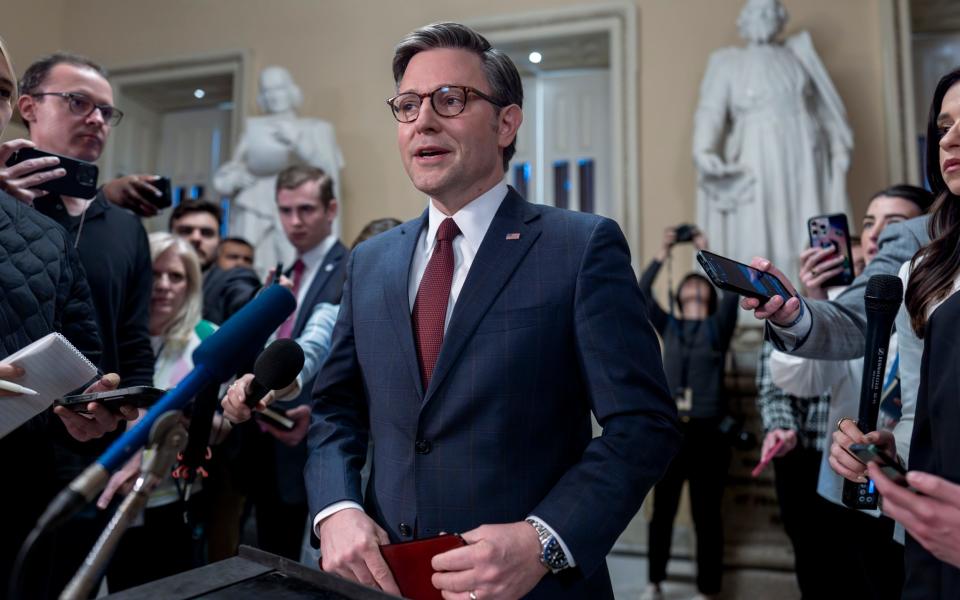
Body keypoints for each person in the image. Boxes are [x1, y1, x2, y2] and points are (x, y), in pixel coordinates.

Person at [302, 23, 679, 599]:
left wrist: (544, 540)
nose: (423, 121)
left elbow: (644, 426)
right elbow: (334, 409)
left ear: (506, 122)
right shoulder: (371, 261)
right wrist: (336, 507)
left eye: (450, 100)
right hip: (384, 583)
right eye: (407, 105)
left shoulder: (579, 247)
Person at [0, 37, 134, 600]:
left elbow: (86, 366)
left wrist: (90, 417)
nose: (96, 121)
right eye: (79, 103)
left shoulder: (45, 237)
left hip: (21, 508)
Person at [830, 67, 960, 599]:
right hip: (932, 550)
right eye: (944, 124)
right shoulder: (925, 268)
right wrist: (888, 453)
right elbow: (918, 415)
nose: (950, 138)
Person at [769, 185, 931, 600]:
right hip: (845, 490)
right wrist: (817, 301)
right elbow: (800, 382)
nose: (877, 236)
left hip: (920, 491)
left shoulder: (939, 312)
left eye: (895, 226)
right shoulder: (849, 311)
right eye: (868, 224)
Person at [693, 0, 852, 286]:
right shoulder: (729, 62)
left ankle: (810, 295)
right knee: (760, 223)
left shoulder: (799, 56)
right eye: (757, 12)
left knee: (805, 219)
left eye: (769, 12)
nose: (763, 18)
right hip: (757, 149)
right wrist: (704, 149)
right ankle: (763, 296)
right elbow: (710, 111)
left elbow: (822, 108)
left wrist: (838, 146)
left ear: (780, 19)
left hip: (804, 149)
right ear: (745, 21)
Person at [100, 232, 219, 591]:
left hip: (173, 502)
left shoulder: (207, 338)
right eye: (154, 274)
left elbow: (223, 425)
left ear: (191, 285)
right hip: (107, 497)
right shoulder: (107, 334)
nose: (164, 286)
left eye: (177, 276)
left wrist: (194, 420)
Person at [638, 226, 738, 600]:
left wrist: (705, 251)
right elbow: (640, 291)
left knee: (707, 516)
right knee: (661, 512)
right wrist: (664, 252)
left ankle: (707, 590)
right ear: (678, 296)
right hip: (670, 433)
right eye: (688, 285)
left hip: (709, 434)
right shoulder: (670, 326)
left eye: (701, 286)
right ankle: (655, 582)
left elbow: (733, 291)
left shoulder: (719, 326)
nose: (694, 290)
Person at [214, 66, 344, 275]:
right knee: (254, 264)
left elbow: (328, 173)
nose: (273, 96)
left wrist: (298, 142)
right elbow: (233, 169)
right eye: (267, 91)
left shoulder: (315, 128)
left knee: (294, 262)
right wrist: (237, 177)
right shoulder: (254, 129)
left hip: (298, 207)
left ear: (291, 91)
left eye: (279, 89)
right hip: (256, 204)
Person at [170, 199, 261, 325]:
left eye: (207, 233)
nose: (196, 238)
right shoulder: (147, 279)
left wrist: (261, 300)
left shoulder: (232, 279)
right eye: (186, 231)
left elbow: (242, 296)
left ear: (218, 242)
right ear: (170, 237)